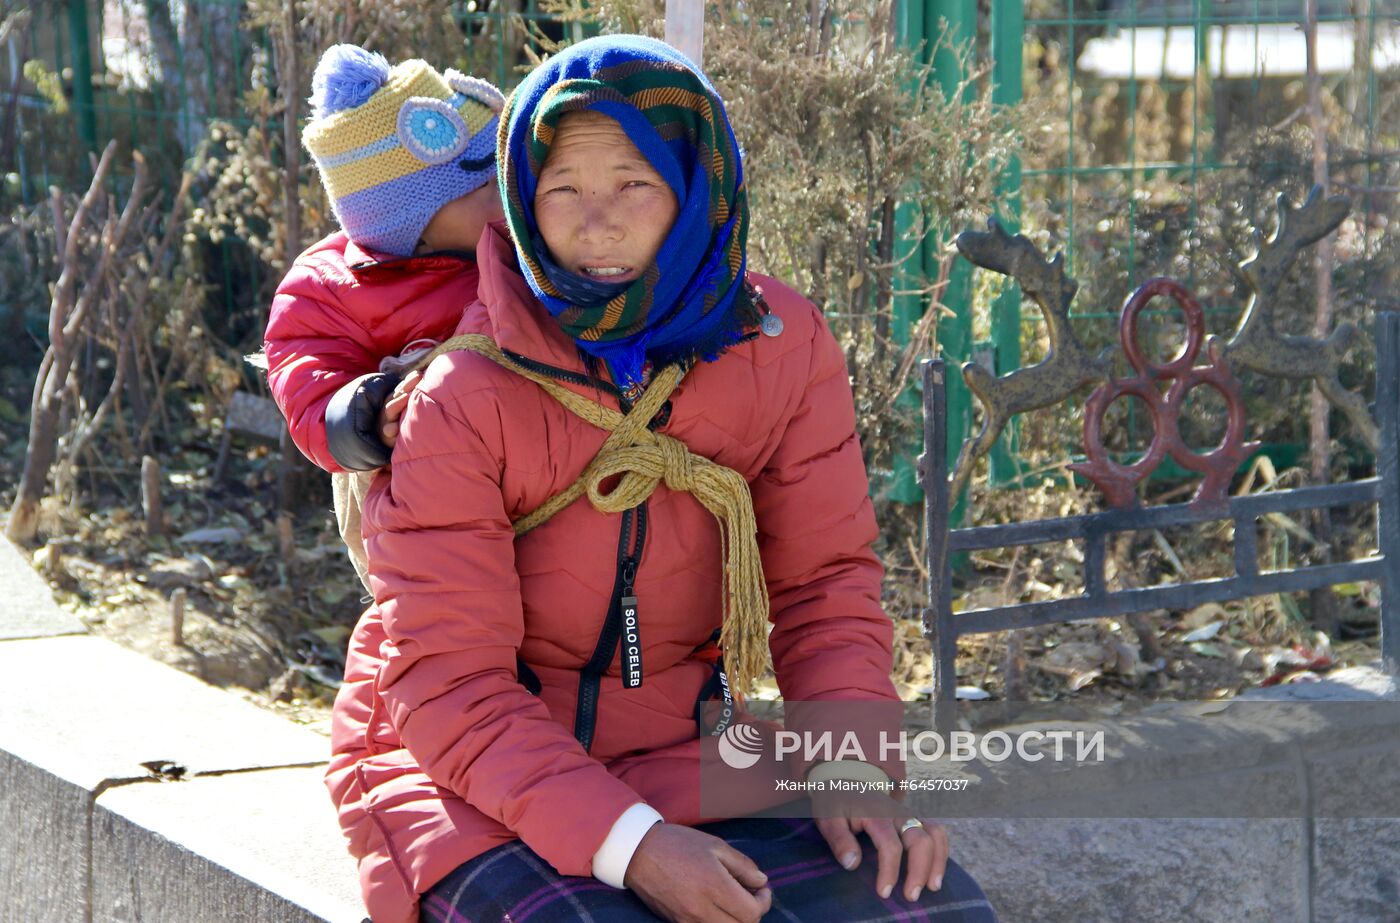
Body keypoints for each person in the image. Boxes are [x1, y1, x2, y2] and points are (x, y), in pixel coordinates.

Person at [325, 34, 998, 923]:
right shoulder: (466, 389)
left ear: (695, 188)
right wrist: (633, 843)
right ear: (520, 201)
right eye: (561, 188)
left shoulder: (781, 347)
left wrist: (854, 766)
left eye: (635, 185)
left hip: (688, 746)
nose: (595, 222)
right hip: (467, 773)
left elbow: (824, 586)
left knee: (926, 906)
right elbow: (450, 687)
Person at [263, 44, 505, 589]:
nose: (510, 197)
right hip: (407, 505)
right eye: (486, 185)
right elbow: (305, 376)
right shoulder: (333, 287)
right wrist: (361, 417)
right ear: (414, 221)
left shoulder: (519, 251)